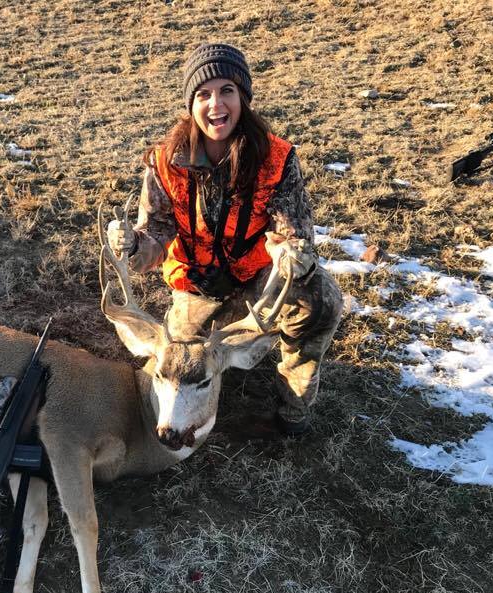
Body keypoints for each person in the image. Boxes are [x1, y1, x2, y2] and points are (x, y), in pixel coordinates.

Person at [107, 42, 343, 437]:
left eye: (226, 91)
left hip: (257, 279)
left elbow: (293, 234)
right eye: (203, 94)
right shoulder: (167, 161)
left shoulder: (275, 158)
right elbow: (157, 232)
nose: (215, 105)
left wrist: (289, 254)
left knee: (319, 300)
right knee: (181, 362)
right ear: (191, 103)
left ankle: (292, 411)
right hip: (197, 284)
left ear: (243, 98)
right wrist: (133, 244)